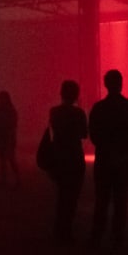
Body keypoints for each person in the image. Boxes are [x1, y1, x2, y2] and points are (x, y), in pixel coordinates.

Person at [87, 69, 128, 246]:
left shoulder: (98, 108)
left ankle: (97, 236)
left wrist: (107, 149)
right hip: (124, 161)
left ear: (106, 84)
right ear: (121, 84)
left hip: (104, 160)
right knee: (121, 202)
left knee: (102, 200)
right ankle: (117, 237)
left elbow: (94, 135)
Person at [46, 79, 87, 244]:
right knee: (72, 196)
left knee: (62, 194)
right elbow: (84, 134)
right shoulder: (79, 113)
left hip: (59, 155)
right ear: (76, 94)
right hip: (74, 156)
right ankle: (67, 229)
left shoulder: (54, 111)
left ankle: (59, 229)